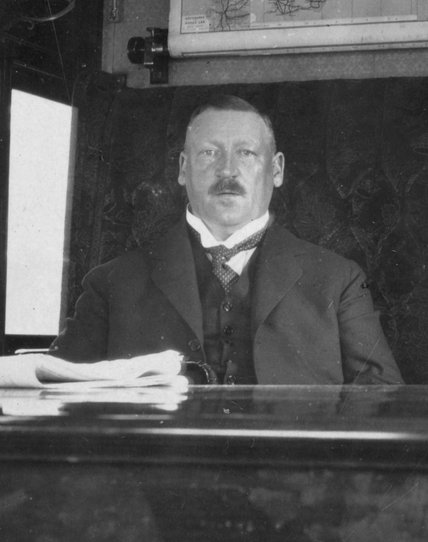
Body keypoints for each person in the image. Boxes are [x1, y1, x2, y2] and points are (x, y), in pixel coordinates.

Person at [51, 94, 402, 386]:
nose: (228, 170)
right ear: (183, 168)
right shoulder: (111, 283)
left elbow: (382, 403)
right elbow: (54, 390)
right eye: (210, 152)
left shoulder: (339, 281)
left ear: (276, 170)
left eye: (246, 153)